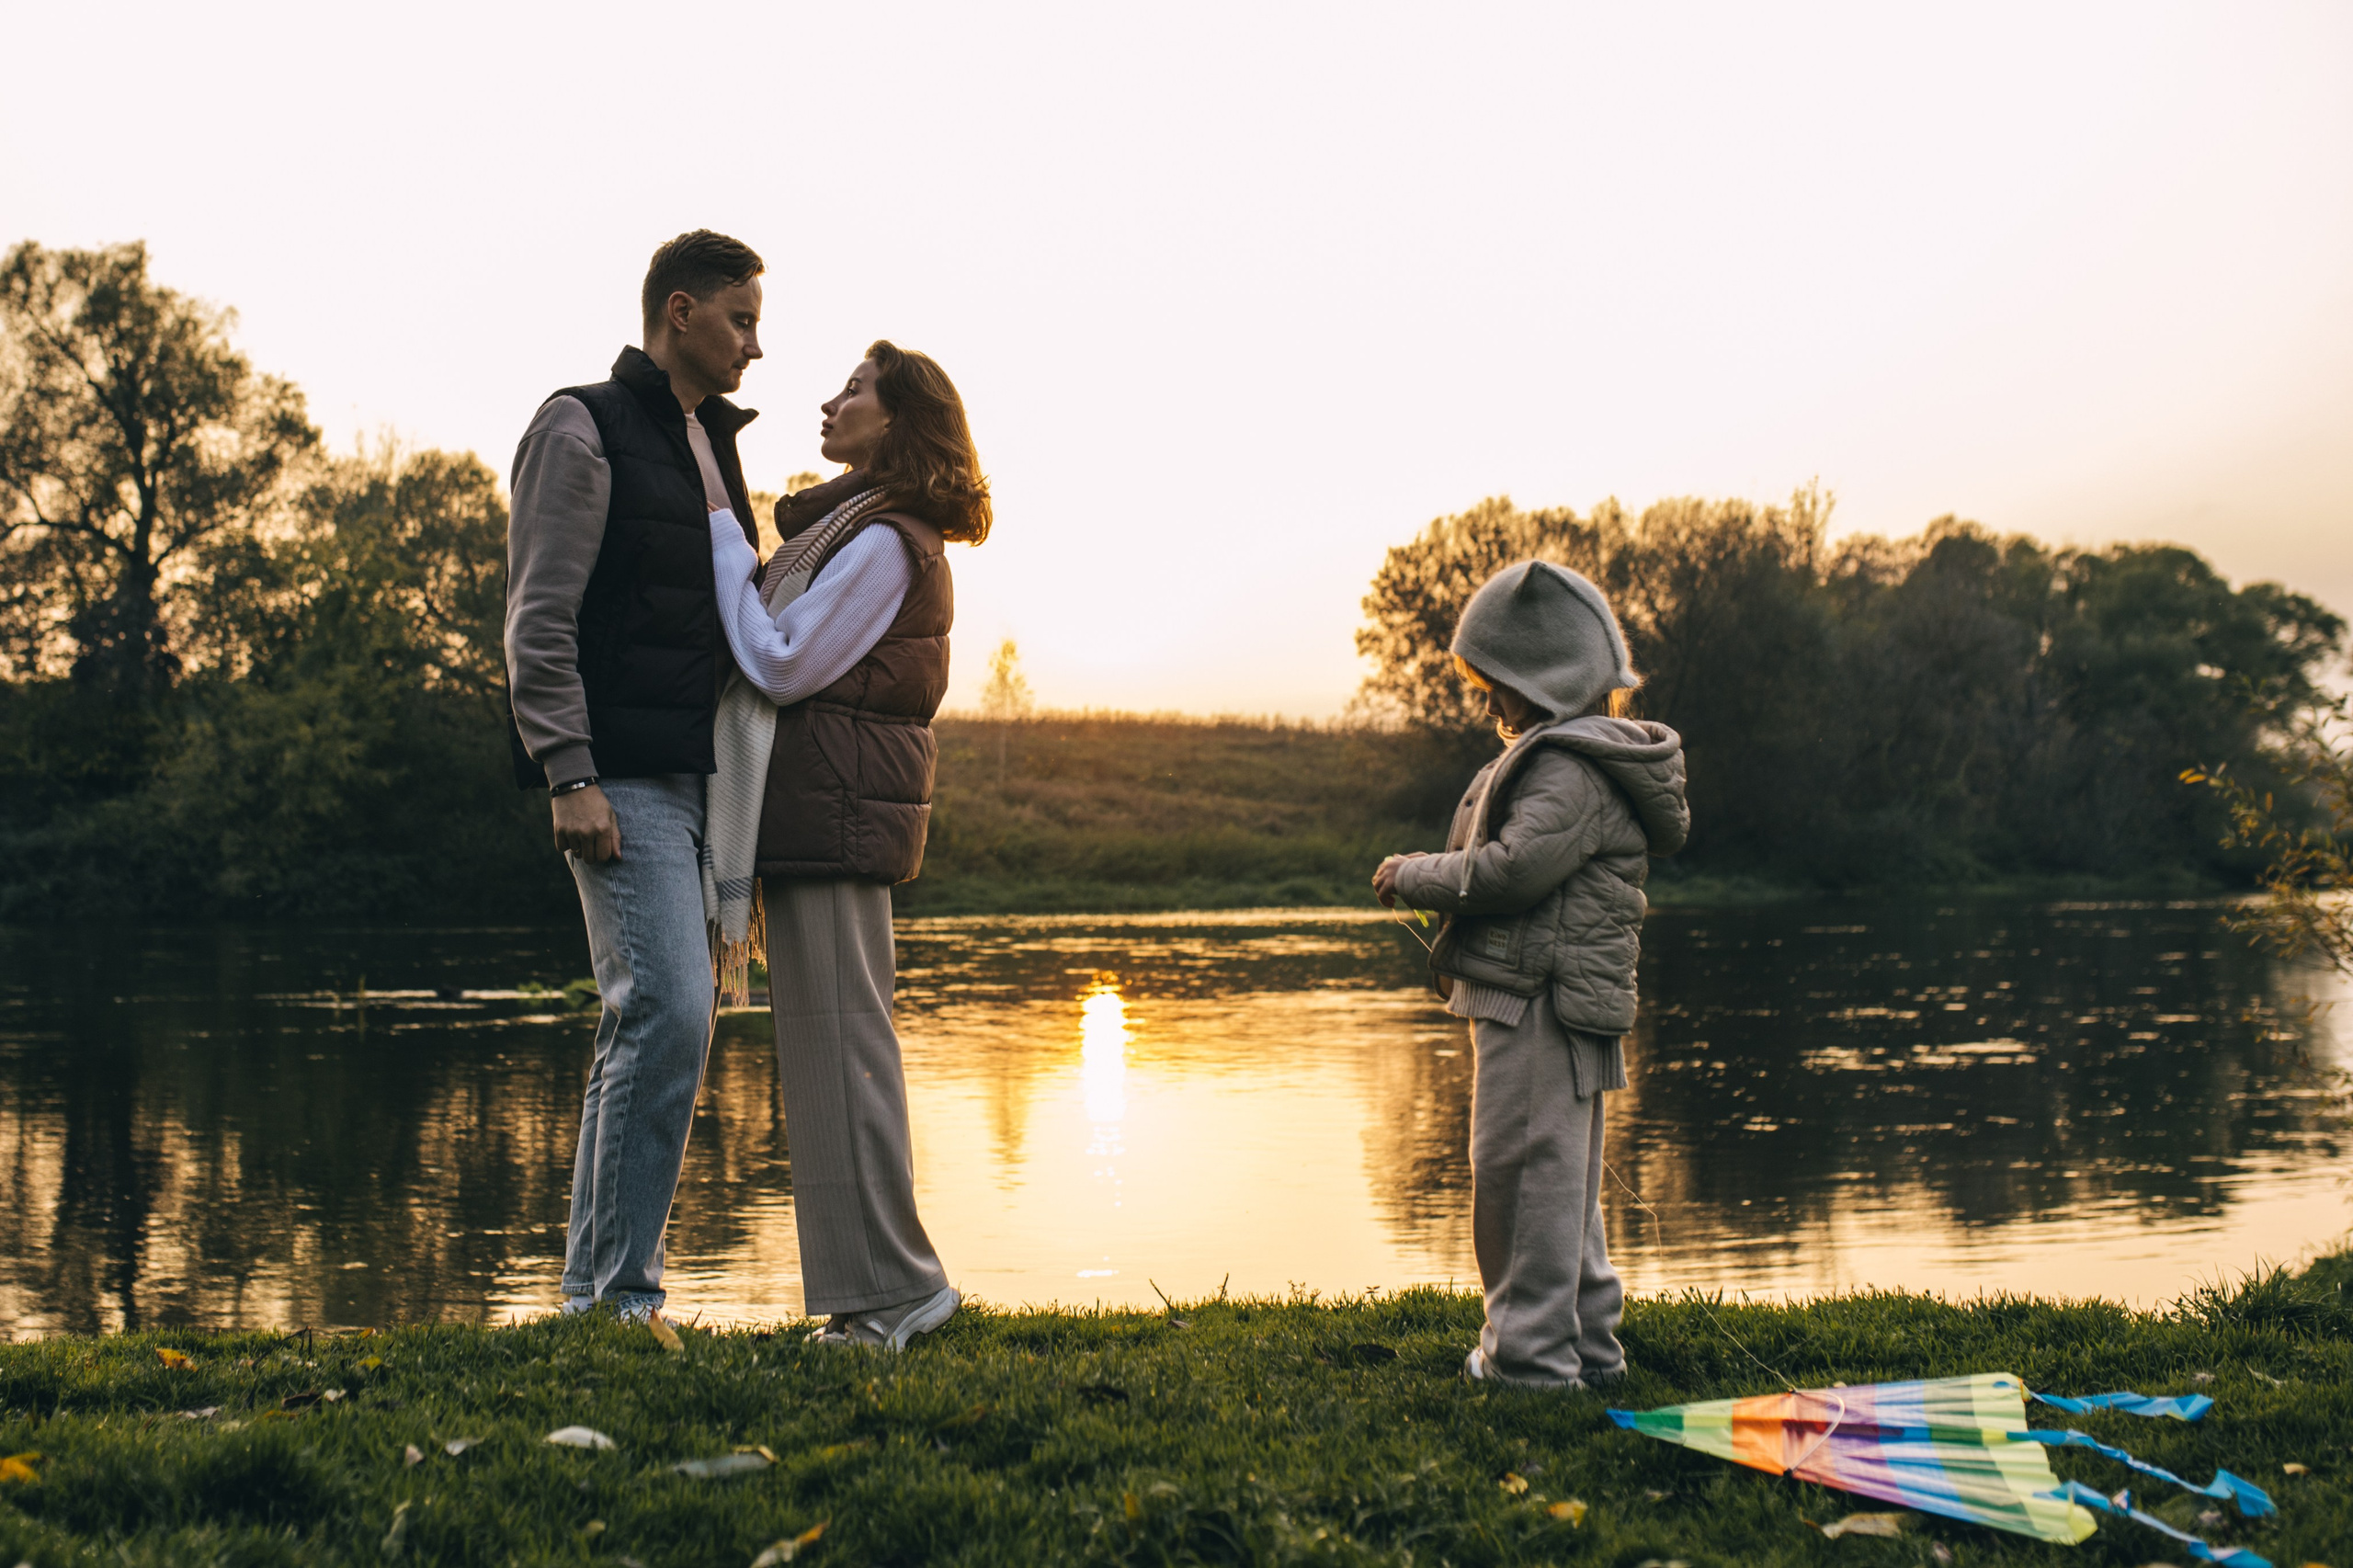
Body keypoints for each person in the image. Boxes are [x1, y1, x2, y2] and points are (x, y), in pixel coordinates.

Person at [699, 341, 990, 1348]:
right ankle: (874, 1293)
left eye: (855, 391)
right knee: (831, 1057)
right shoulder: (864, 530)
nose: (831, 402)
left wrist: (728, 553)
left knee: (845, 1055)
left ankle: (900, 1288)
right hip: (825, 819)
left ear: (898, 421)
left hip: (834, 821)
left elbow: (782, 662)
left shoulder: (882, 542)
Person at [503, 230, 767, 1332]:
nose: (758, 341)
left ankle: (603, 1295)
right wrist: (569, 773)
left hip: (699, 779)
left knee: (670, 1018)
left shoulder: (713, 441)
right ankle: (615, 1298)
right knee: (660, 1008)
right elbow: (539, 616)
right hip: (616, 772)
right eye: (741, 318)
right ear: (678, 310)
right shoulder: (583, 424)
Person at [1371, 562, 1688, 1389]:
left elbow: (1512, 871)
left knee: (1520, 1178)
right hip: (1554, 997)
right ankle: (1587, 1348)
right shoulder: (1577, 762)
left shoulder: (1567, 769)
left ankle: (1531, 1363)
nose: (1489, 706)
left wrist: (1414, 874)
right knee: (1559, 1185)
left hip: (1539, 1003)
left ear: (1545, 681)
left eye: (1498, 684)